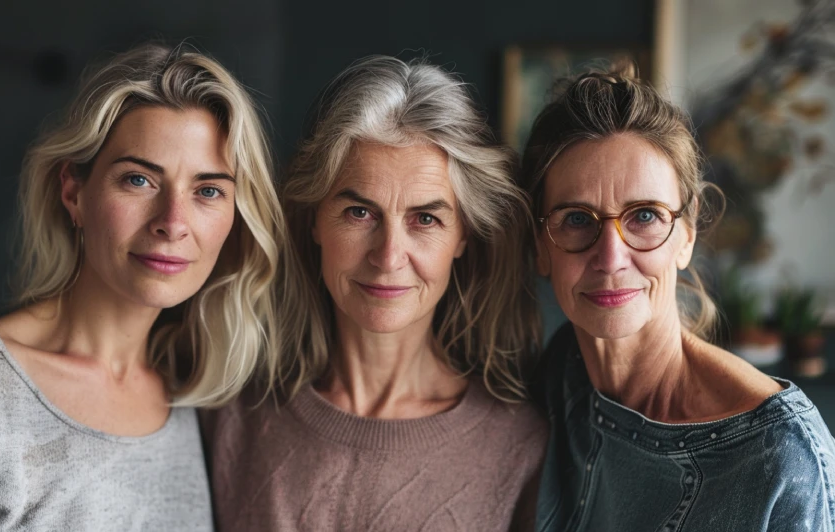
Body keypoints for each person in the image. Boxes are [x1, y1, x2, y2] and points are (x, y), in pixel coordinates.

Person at [0, 43, 284, 530]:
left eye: (207, 191)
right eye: (139, 180)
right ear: (74, 192)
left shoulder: (195, 399)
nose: (174, 223)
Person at [201, 55, 547, 531]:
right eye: (359, 213)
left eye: (425, 219)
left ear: (463, 235)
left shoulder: (522, 447)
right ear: (316, 219)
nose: (388, 256)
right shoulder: (229, 414)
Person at [522, 64, 835, 531]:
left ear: (686, 236)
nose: (610, 257)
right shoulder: (561, 374)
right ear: (540, 246)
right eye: (577, 219)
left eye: (644, 215)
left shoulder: (780, 458)